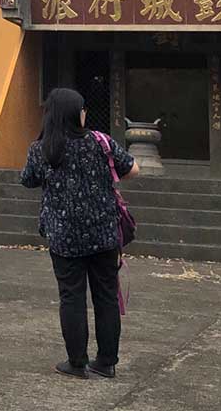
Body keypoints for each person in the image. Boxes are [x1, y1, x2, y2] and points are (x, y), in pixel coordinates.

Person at [20, 87, 138, 380]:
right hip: (103, 233)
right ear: (76, 113)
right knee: (107, 296)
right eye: (83, 109)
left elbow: (27, 180)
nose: (85, 114)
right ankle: (107, 362)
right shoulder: (101, 142)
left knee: (71, 297)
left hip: (64, 237)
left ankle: (77, 362)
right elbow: (134, 169)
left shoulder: (41, 149)